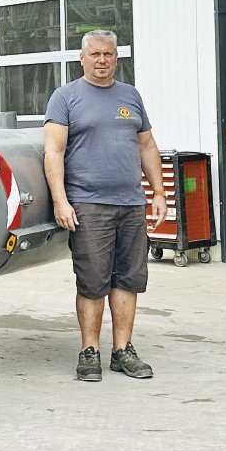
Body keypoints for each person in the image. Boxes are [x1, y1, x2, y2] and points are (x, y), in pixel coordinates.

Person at [44, 29, 167, 382]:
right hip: (88, 204)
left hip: (131, 203)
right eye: (95, 54)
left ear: (116, 58)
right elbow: (54, 151)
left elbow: (147, 147)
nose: (102, 61)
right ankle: (89, 351)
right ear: (82, 58)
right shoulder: (65, 97)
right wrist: (60, 200)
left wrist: (158, 193)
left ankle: (122, 350)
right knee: (93, 281)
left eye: (108, 55)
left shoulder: (131, 96)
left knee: (128, 279)